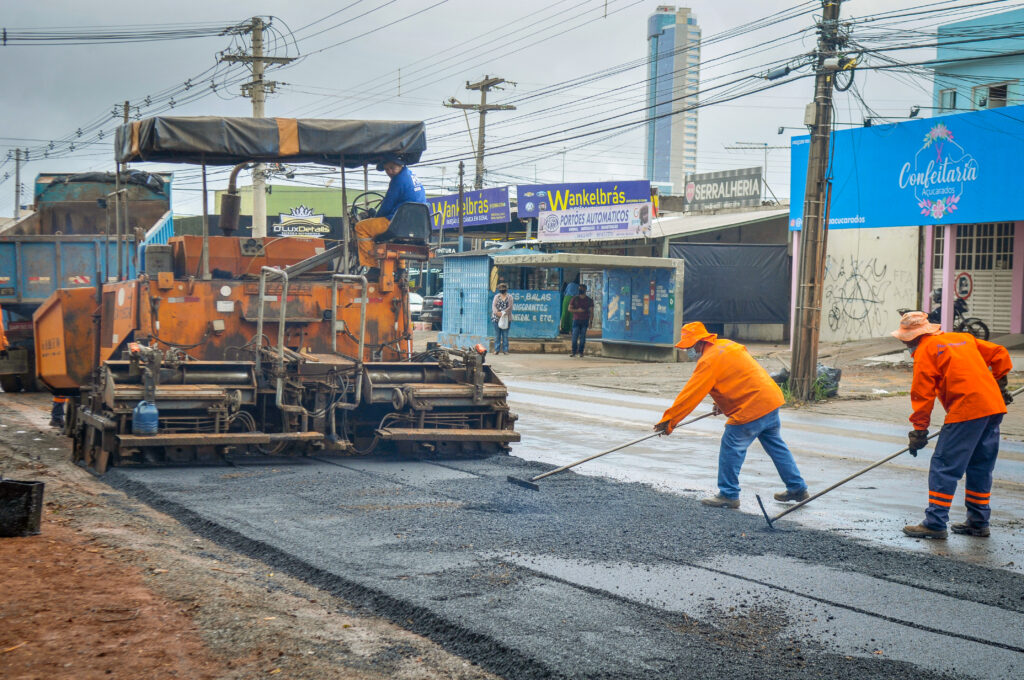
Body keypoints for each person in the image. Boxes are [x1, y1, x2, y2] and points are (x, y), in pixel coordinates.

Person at [654, 321, 808, 508]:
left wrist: (669, 421)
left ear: (698, 343)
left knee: (731, 445)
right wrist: (721, 403)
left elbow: (690, 395)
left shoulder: (708, 361)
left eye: (689, 346)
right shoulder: (728, 345)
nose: (689, 351)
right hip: (770, 399)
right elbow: (738, 375)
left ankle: (728, 494)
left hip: (752, 407)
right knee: (776, 446)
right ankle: (797, 487)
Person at [891, 311, 1013, 539]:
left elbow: (922, 395)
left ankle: (935, 523)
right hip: (994, 407)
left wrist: (919, 431)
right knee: (980, 466)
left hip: (967, 409)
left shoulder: (925, 352)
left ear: (910, 338)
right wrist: (1001, 384)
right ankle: (978, 522)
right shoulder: (963, 338)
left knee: (944, 464)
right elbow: (1000, 353)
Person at [354, 155, 426, 279]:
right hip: (415, 226)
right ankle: (401, 269)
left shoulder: (397, 180)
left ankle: (373, 269)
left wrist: (375, 217)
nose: (389, 172)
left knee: (361, 227)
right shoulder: (411, 176)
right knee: (397, 236)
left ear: (400, 165)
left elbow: (387, 205)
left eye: (392, 168)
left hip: (397, 223)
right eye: (387, 169)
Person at [568, 284, 593, 357]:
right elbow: (569, 309)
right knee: (574, 337)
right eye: (579, 289)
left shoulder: (589, 300)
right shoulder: (574, 299)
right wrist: (578, 310)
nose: (580, 290)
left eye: (581, 289)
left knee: (582, 338)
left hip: (585, 321)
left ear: (585, 290)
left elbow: (592, 312)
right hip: (576, 320)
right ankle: (574, 352)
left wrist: (590, 322)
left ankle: (581, 352)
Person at [492, 283, 513, 355]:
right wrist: (497, 313)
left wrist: (503, 313)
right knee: (497, 335)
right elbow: (494, 306)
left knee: (505, 334)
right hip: (496, 318)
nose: (502, 290)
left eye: (503, 289)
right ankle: (496, 350)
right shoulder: (496, 297)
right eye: (500, 289)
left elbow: (510, 307)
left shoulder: (509, 297)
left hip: (506, 318)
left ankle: (505, 350)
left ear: (506, 289)